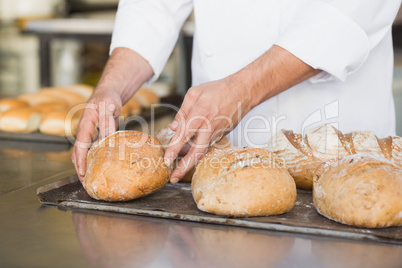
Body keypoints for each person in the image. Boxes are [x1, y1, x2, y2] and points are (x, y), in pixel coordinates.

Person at [72, 0, 402, 184]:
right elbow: (153, 8)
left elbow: (346, 16)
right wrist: (111, 88)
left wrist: (239, 90)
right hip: (220, 159)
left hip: (346, 160)